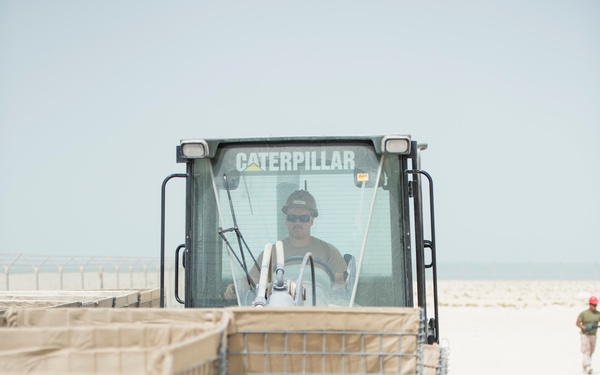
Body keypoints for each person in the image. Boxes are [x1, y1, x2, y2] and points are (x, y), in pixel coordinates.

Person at [251, 190, 347, 288]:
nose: (297, 222)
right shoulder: (269, 253)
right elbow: (249, 284)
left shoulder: (329, 252)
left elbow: (339, 289)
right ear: (286, 220)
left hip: (319, 303)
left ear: (312, 220)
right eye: (292, 217)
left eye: (303, 218)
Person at [576, 296, 600, 374]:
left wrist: (596, 326)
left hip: (593, 335)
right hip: (585, 335)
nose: (594, 306)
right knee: (586, 350)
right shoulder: (584, 313)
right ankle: (588, 366)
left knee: (591, 351)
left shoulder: (598, 314)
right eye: (593, 304)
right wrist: (584, 327)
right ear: (589, 304)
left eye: (595, 305)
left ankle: (585, 365)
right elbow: (578, 323)